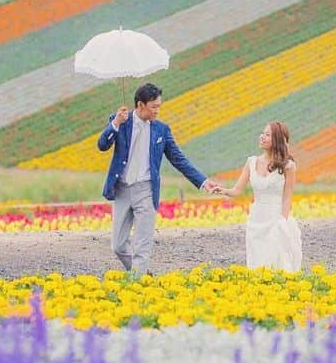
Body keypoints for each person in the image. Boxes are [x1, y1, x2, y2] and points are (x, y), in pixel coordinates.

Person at [98, 82, 219, 273]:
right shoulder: (121, 120)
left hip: (146, 190)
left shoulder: (161, 129)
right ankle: (141, 273)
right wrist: (115, 124)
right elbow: (102, 145)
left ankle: (139, 284)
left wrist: (203, 181)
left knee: (142, 246)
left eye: (159, 106)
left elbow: (178, 159)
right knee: (118, 246)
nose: (157, 111)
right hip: (121, 189)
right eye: (154, 107)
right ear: (140, 105)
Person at [215, 121, 302, 272]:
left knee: (277, 263)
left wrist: (283, 221)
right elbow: (237, 190)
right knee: (257, 262)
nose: (262, 137)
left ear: (277, 139)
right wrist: (222, 190)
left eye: (267, 135)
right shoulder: (251, 162)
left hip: (276, 220)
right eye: (262, 133)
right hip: (256, 220)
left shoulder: (288, 166)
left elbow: (287, 197)